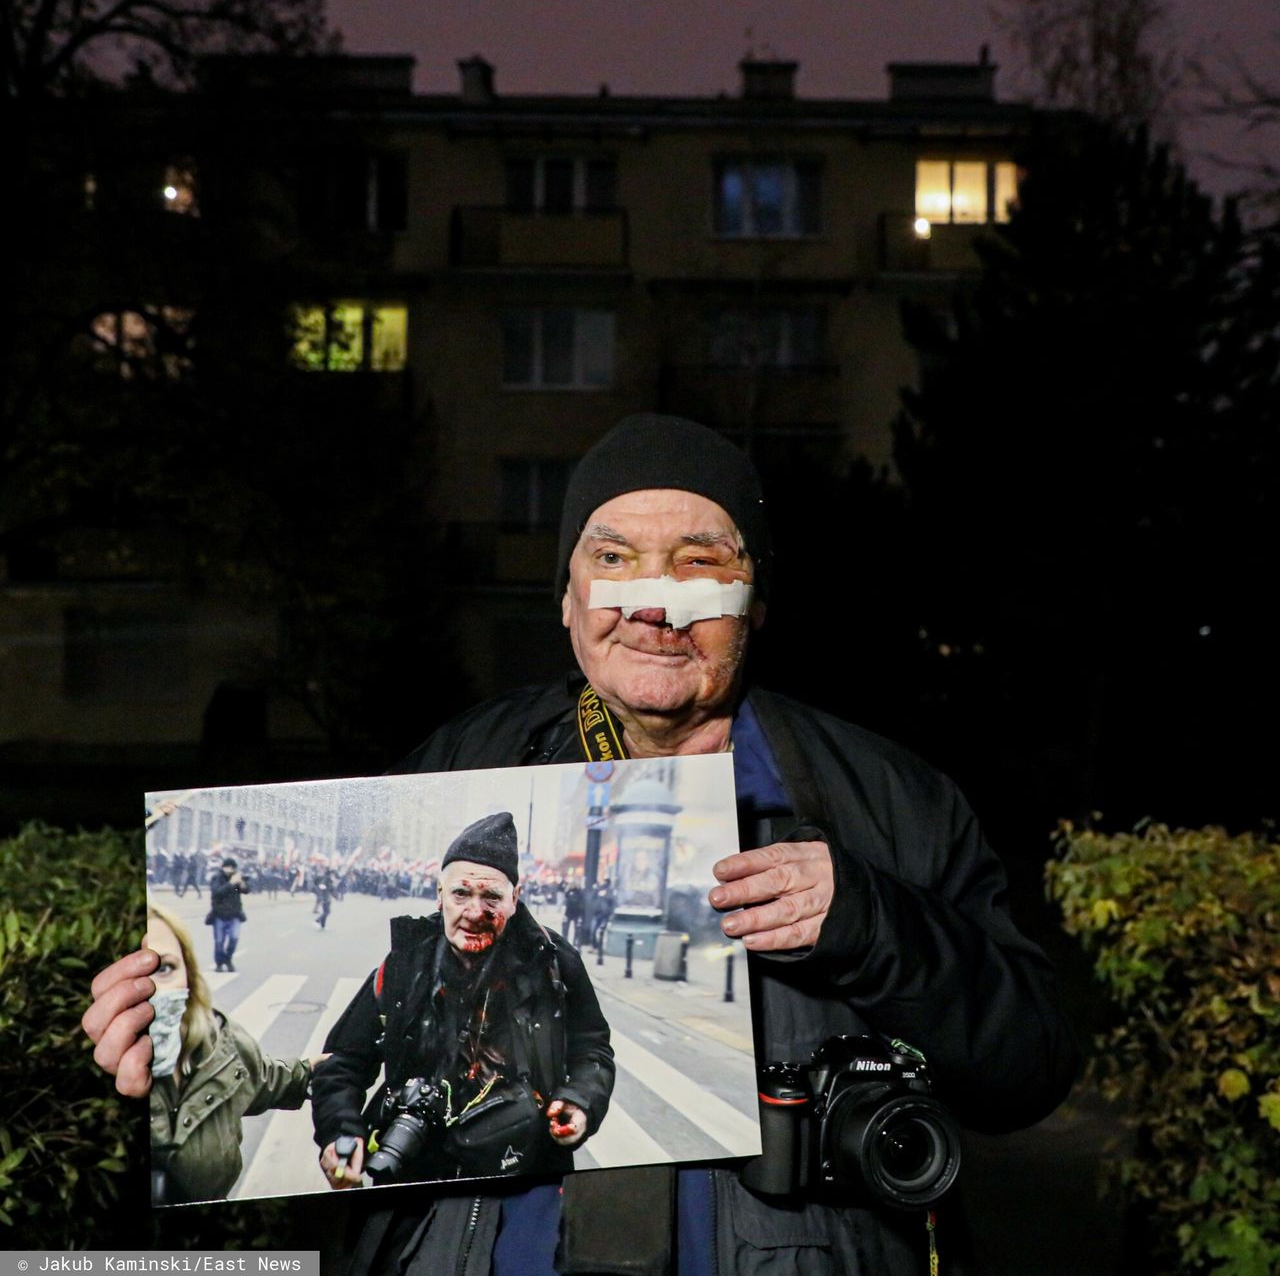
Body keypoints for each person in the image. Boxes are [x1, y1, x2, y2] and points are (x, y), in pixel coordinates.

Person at [85, 413, 1078, 1275]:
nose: (654, 601)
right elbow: (340, 1056)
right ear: (565, 600)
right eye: (611, 560)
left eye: (701, 560)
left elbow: (1030, 1058)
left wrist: (873, 921)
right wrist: (175, 1035)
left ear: (756, 602)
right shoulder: (449, 772)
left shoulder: (890, 800)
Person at [313, 811, 614, 1189]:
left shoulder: (553, 962)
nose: (474, 912)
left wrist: (579, 1102)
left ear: (515, 899)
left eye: (491, 897)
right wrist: (340, 1132)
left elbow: (592, 1051)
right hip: (416, 1175)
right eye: (461, 893)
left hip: (527, 1174)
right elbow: (343, 1062)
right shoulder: (405, 966)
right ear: (440, 896)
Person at [140, 902, 321, 1205]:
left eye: (164, 968)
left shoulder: (216, 1043)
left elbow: (261, 1080)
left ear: (189, 975)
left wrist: (313, 1072)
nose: (151, 988)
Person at [209, 855, 248, 972]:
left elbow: (244, 891)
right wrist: (231, 883)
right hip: (219, 914)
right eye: (227, 867)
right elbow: (217, 893)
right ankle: (219, 963)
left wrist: (241, 884)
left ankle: (228, 959)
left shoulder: (236, 879)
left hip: (235, 914)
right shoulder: (217, 878)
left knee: (234, 939)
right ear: (223, 868)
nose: (229, 870)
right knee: (219, 942)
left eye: (232, 868)